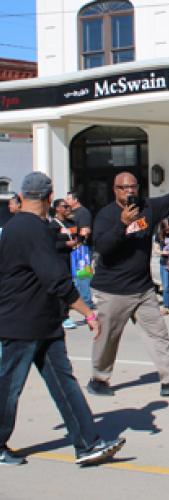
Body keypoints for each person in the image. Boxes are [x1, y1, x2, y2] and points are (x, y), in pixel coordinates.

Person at [0, 172, 125, 466]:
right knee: (9, 387)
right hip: (23, 322)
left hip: (43, 322)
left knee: (64, 384)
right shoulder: (30, 229)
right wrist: (89, 313)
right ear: (48, 197)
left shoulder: (17, 227)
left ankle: (87, 444)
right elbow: (55, 278)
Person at [87, 151, 169, 397]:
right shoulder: (106, 216)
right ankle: (99, 378)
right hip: (112, 290)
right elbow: (103, 247)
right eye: (124, 188)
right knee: (108, 338)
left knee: (158, 334)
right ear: (115, 190)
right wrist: (121, 224)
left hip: (142, 289)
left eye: (133, 187)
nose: (129, 191)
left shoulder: (148, 208)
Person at [48, 198, 79, 330]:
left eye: (68, 206)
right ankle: (64, 316)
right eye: (64, 206)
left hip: (71, 258)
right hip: (59, 260)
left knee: (71, 284)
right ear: (57, 209)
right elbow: (50, 244)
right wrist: (66, 244)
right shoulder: (53, 225)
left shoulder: (71, 223)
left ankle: (64, 314)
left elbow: (76, 236)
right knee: (63, 286)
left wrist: (81, 238)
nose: (67, 209)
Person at [65, 191, 93, 309]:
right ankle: (78, 301)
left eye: (68, 199)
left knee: (83, 276)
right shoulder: (71, 213)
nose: (66, 202)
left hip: (81, 248)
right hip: (72, 248)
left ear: (75, 200)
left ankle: (86, 302)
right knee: (75, 277)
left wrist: (78, 242)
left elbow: (85, 230)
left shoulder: (83, 212)